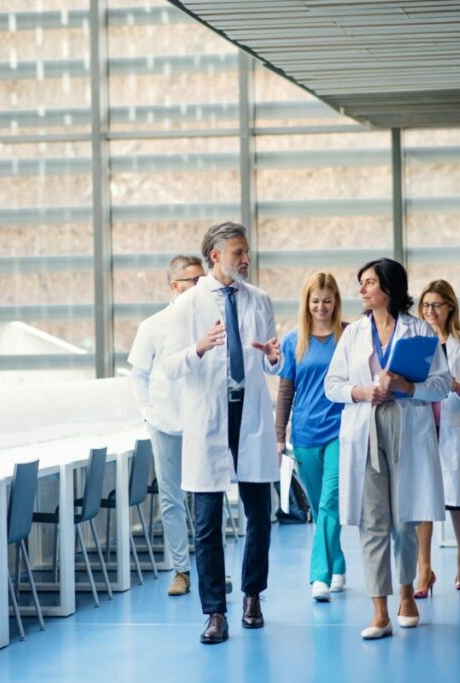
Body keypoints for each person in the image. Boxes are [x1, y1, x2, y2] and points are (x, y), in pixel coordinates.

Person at [160, 221, 283, 645]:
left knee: (260, 518)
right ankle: (214, 611)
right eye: (237, 253)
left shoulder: (259, 300)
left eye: (246, 252)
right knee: (207, 524)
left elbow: (272, 363)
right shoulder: (188, 305)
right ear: (215, 256)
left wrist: (272, 357)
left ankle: (252, 596)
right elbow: (169, 366)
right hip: (208, 420)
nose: (245, 259)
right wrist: (198, 347)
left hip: (248, 418)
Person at [325, 258, 451, 640]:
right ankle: (379, 611)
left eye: (368, 283)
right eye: (361, 283)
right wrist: (361, 392)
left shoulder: (418, 332)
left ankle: (406, 595)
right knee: (372, 521)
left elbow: (442, 385)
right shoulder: (352, 334)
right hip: (366, 425)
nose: (361, 290)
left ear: (389, 289)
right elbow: (333, 385)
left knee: (404, 520)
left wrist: (408, 388)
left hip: (406, 423)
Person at [127, 254, 206, 597]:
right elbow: (138, 374)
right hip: (164, 423)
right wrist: (148, 413)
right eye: (196, 281)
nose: (204, 287)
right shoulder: (153, 326)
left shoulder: (209, 322)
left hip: (201, 422)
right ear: (176, 286)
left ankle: (210, 568)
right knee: (172, 500)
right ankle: (181, 571)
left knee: (206, 498)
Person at [275, 273, 348, 602]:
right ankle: (338, 563)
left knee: (330, 501)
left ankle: (318, 576)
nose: (321, 307)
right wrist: (279, 436)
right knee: (321, 510)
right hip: (304, 434)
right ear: (307, 303)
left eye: (327, 301)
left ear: (336, 302)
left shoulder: (348, 335)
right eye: (315, 301)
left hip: (341, 431)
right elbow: (285, 390)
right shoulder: (294, 340)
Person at [414, 280, 460, 596]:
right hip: (423, 427)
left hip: (454, 425)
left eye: (437, 305)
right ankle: (423, 571)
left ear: (450, 307)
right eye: (426, 305)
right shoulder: (415, 342)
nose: (431, 311)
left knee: (457, 502)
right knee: (424, 502)